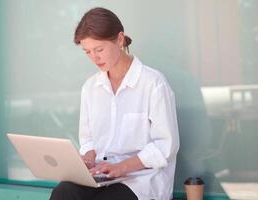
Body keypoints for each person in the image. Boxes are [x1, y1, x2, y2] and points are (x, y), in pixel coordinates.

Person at [50, 7, 179, 200]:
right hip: (102, 176)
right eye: (88, 52)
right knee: (63, 192)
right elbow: (87, 140)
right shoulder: (90, 87)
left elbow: (165, 146)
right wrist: (88, 157)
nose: (94, 58)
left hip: (141, 179)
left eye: (99, 49)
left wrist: (122, 167)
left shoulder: (153, 83)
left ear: (119, 39)